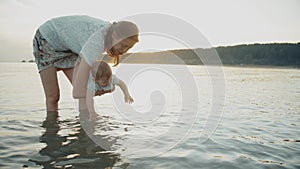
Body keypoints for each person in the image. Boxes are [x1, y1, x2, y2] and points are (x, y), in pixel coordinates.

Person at [32, 15, 139, 112]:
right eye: (124, 45)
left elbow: (83, 89)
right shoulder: (96, 42)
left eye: (128, 48)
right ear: (114, 35)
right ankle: (51, 130)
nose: (125, 50)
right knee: (53, 96)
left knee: (85, 87)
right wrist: (103, 91)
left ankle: (84, 122)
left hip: (69, 48)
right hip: (46, 40)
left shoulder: (107, 36)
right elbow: (78, 92)